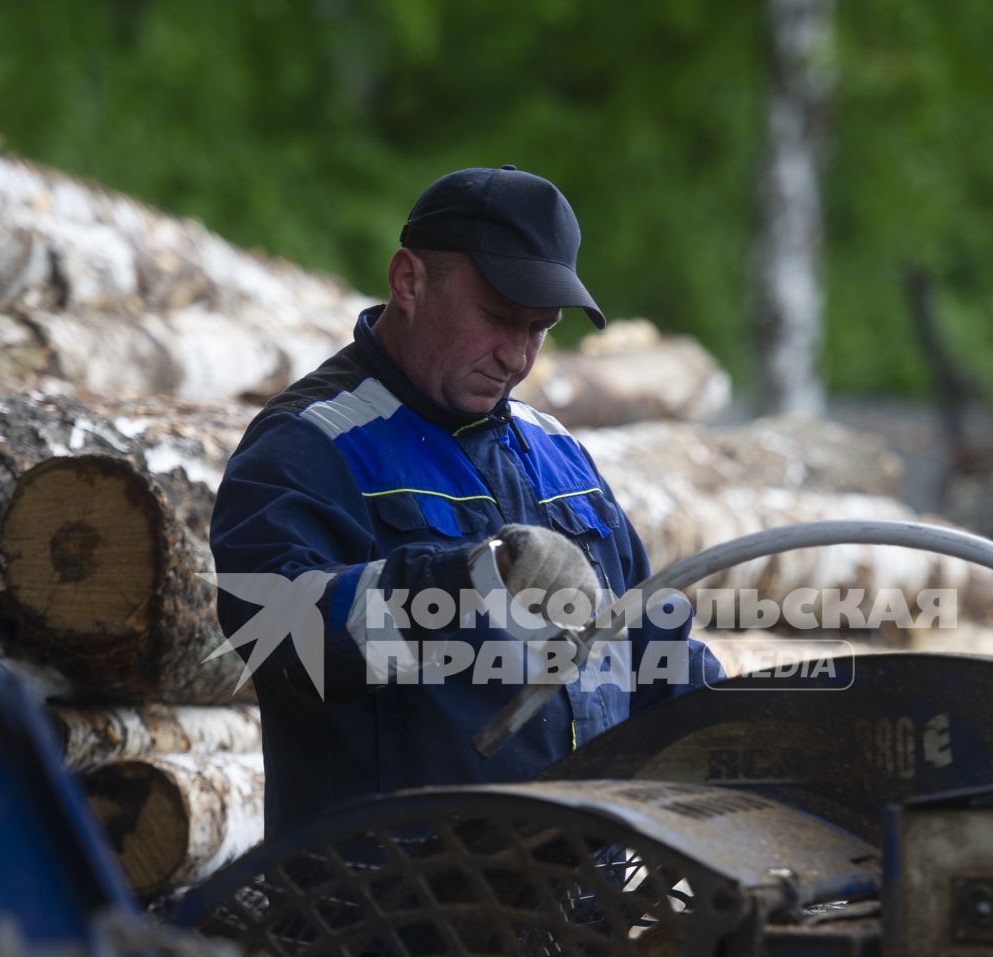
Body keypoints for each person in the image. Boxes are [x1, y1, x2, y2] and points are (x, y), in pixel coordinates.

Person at [210, 166, 720, 838]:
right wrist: (466, 581)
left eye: (540, 327)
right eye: (499, 317)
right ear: (409, 280)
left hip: (572, 911)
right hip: (387, 918)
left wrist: (753, 726)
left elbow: (648, 645)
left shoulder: (556, 449)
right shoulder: (308, 444)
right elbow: (274, 632)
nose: (516, 356)